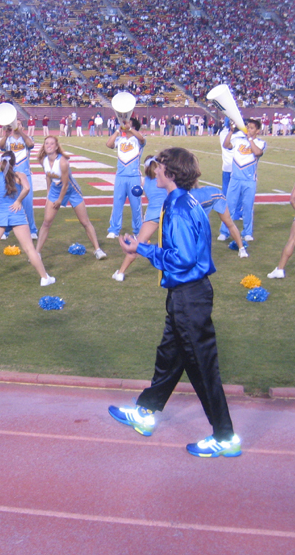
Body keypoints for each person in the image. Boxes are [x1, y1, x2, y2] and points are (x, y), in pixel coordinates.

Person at [109, 147, 241, 458]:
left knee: (202, 368)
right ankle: (146, 411)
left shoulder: (180, 207)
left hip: (189, 296)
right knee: (170, 356)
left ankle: (225, 436)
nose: (154, 170)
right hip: (186, 295)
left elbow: (182, 259)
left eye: (159, 166)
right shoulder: (183, 200)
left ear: (170, 173)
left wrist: (141, 249)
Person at [0, 151, 54, 289]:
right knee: (29, 249)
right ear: (14, 162)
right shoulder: (20, 175)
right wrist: (18, 201)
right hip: (17, 213)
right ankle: (44, 278)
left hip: (0, 213)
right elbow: (27, 188)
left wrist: (5, 206)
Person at [34, 136, 107, 260]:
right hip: (55, 190)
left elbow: (66, 184)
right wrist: (49, 193)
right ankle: (37, 253)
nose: (49, 145)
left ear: (56, 147)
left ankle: (97, 250)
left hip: (71, 190)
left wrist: (59, 200)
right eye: (46, 143)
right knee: (46, 222)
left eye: (52, 143)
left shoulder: (63, 162)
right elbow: (48, 177)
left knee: (84, 221)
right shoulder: (43, 160)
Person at [111, 155, 167, 281]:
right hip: (167, 213)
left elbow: (144, 193)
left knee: (137, 244)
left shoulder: (145, 181)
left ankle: (120, 273)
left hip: (152, 215)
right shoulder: (165, 179)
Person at [220, 119, 266, 242]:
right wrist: (230, 132)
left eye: (252, 128)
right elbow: (226, 145)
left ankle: (247, 232)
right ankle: (224, 232)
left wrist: (250, 139)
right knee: (229, 206)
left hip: (249, 180)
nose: (249, 129)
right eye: (248, 127)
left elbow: (257, 152)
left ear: (257, 130)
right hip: (235, 178)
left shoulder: (260, 143)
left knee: (247, 207)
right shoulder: (238, 140)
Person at [106, 117, 145, 239]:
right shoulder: (120, 139)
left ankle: (138, 231)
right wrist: (117, 131)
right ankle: (114, 229)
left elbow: (142, 139)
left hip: (134, 176)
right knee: (117, 203)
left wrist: (131, 129)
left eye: (128, 123)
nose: (124, 125)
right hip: (120, 176)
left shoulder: (137, 140)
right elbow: (109, 144)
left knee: (136, 205)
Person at [0, 120, 37, 240]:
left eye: (19, 123)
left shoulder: (26, 138)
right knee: (9, 203)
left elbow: (30, 145)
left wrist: (20, 131)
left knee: (27, 204)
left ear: (23, 127)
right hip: (10, 175)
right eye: (15, 123)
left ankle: (32, 230)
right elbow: (1, 147)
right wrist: (6, 134)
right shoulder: (8, 140)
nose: (16, 125)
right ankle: (6, 231)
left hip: (25, 174)